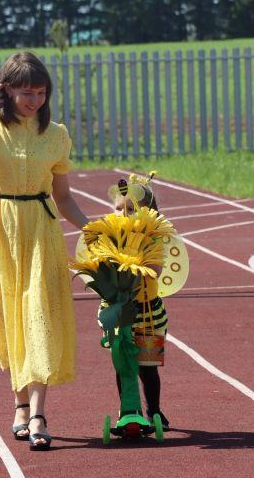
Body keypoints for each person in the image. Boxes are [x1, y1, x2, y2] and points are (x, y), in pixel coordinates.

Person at [0, 51, 89, 451]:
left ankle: (38, 413)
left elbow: (63, 197)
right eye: (26, 92)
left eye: (41, 92)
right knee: (9, 316)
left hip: (42, 228)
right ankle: (18, 404)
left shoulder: (57, 134)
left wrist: (96, 229)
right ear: (5, 90)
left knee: (40, 317)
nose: (34, 100)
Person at [106, 175, 171, 431]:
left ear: (149, 212)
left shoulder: (153, 239)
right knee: (123, 365)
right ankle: (128, 410)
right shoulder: (108, 237)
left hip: (148, 312)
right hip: (119, 313)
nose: (123, 215)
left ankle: (154, 410)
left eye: (130, 209)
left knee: (147, 367)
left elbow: (154, 268)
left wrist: (130, 258)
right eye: (118, 209)